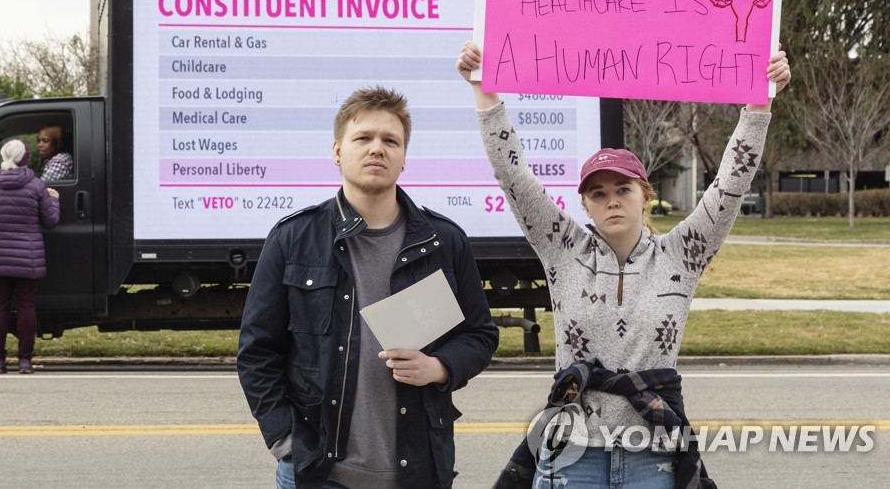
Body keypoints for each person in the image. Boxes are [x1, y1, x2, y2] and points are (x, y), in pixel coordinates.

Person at [456, 41, 790, 489]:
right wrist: (485, 93)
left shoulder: (682, 255)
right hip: (570, 458)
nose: (611, 199)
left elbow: (731, 182)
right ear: (586, 206)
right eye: (598, 193)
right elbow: (513, 176)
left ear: (645, 196)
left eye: (623, 189)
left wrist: (758, 103)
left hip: (650, 458)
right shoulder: (562, 249)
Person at [237, 86, 499, 488]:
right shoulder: (293, 239)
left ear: (404, 158)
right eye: (364, 138)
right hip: (319, 471)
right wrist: (286, 441)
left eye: (390, 140)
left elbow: (480, 335)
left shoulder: (444, 242)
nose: (377, 148)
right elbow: (258, 351)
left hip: (417, 470)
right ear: (338, 151)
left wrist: (439, 367)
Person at [0, 139, 60, 374]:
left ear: (3, 157)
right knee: (26, 307)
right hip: (28, 257)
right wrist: (54, 199)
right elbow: (50, 221)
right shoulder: (36, 187)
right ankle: (24, 361)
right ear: (26, 158)